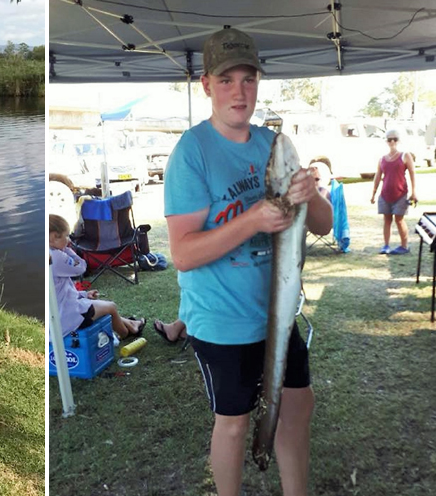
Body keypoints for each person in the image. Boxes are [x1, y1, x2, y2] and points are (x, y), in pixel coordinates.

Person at [163, 27, 332, 496]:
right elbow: (183, 252)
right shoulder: (191, 152)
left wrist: (309, 193)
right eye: (226, 80)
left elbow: (321, 223)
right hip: (221, 321)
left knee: (298, 405)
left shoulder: (273, 145)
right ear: (206, 85)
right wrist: (254, 218)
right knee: (233, 425)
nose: (239, 91)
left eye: (248, 79)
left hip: (276, 317)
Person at [49, 214, 145, 339]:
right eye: (66, 236)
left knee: (99, 307)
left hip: (59, 312)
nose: (68, 240)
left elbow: (60, 290)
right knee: (111, 307)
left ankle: (132, 323)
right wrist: (67, 250)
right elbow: (81, 267)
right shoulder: (56, 256)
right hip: (67, 317)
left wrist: (84, 294)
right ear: (52, 238)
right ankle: (126, 333)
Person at [370, 128, 417, 255]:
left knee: (399, 219)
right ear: (386, 141)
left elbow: (412, 173)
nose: (392, 142)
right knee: (387, 220)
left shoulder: (405, 155)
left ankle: (404, 246)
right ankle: (386, 245)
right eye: (389, 139)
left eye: (394, 139)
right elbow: (378, 176)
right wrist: (373, 193)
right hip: (385, 194)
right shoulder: (382, 159)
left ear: (399, 140)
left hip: (401, 194)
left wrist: (414, 192)